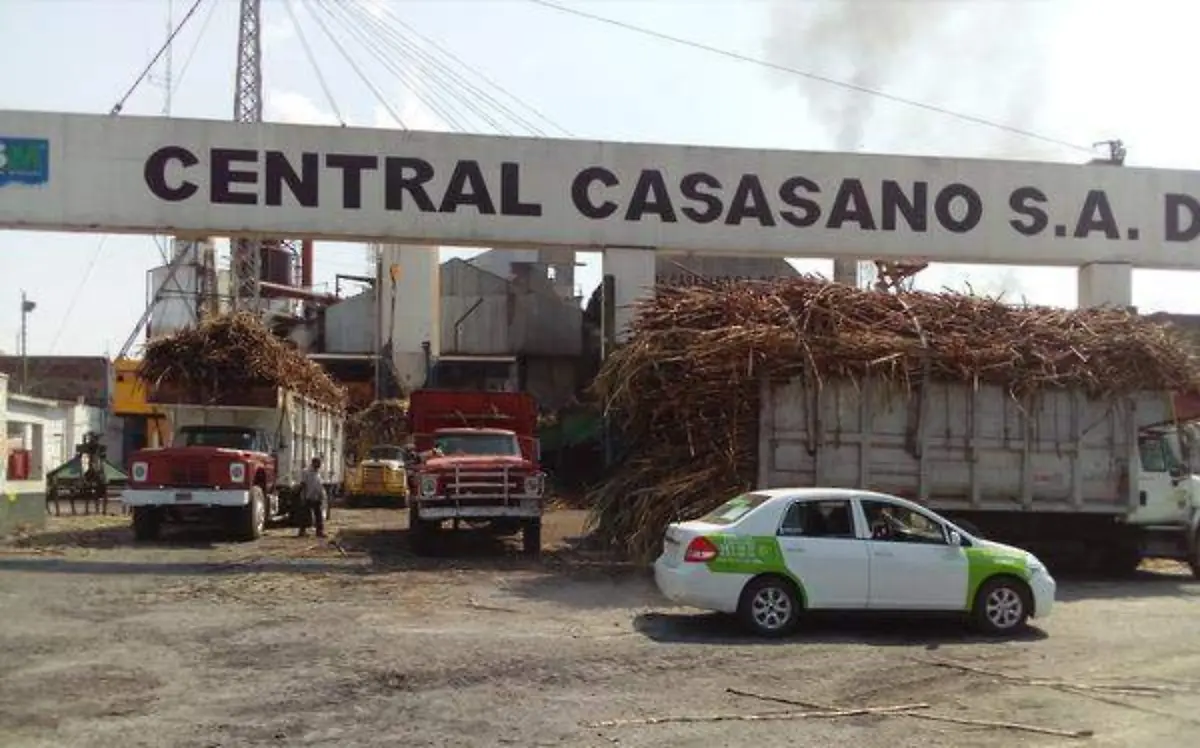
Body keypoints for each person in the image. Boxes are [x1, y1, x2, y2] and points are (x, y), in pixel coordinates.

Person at [298, 456, 327, 538]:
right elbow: (303, 484)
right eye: (318, 463)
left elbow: (319, 485)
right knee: (305, 515)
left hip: (317, 497)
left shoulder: (318, 473)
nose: (320, 465)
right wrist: (303, 496)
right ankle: (302, 531)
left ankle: (319, 532)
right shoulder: (306, 472)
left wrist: (321, 495)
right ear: (314, 463)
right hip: (308, 496)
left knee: (319, 515)